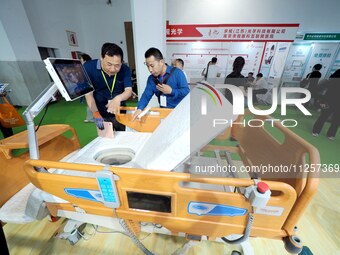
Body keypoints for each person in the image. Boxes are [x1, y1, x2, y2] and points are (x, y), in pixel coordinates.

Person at [84, 43, 132, 131]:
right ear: (101, 58)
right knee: (106, 138)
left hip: (119, 111)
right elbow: (89, 95)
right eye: (109, 64)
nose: (113, 69)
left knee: (122, 135)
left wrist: (118, 99)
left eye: (117, 65)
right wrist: (96, 113)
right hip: (100, 111)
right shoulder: (88, 68)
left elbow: (128, 91)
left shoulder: (125, 69)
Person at [132, 48, 189, 121]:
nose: (150, 70)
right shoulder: (151, 79)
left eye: (152, 66)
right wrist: (139, 109)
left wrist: (172, 91)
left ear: (161, 62)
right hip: (163, 113)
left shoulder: (177, 73)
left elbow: (187, 92)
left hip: (179, 113)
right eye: (147, 66)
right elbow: (146, 96)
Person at [312, 69, 340, 140]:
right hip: (330, 101)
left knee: (327, 117)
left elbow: (322, 91)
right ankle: (329, 134)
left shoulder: (331, 80)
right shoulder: (332, 81)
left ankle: (317, 131)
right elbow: (324, 92)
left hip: (330, 101)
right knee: (330, 118)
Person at [79, 53, 95, 122]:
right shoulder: (89, 65)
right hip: (90, 86)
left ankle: (90, 118)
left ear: (84, 59)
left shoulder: (86, 66)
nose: (80, 60)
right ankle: (90, 118)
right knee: (91, 102)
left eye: (81, 59)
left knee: (91, 102)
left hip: (91, 86)